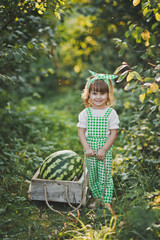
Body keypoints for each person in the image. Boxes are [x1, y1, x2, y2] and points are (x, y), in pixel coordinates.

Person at [77, 70, 119, 216]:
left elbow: (113, 133)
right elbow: (81, 132)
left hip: (104, 148)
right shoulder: (85, 113)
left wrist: (104, 149)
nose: (98, 97)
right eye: (95, 93)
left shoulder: (110, 113)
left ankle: (106, 200)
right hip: (90, 149)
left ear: (108, 95)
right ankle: (96, 198)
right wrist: (87, 148)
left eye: (102, 93)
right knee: (93, 175)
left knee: (104, 174)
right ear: (89, 94)